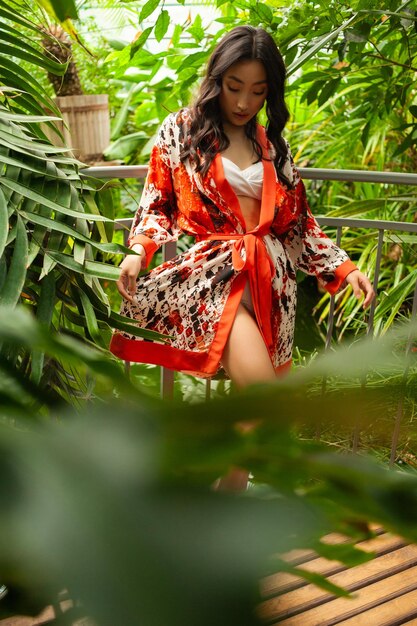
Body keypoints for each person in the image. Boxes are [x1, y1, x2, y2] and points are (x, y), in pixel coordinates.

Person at [110, 25, 375, 489]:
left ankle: (222, 493)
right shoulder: (182, 131)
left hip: (272, 286)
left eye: (257, 90)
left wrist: (344, 267)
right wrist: (138, 251)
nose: (243, 102)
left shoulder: (272, 145)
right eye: (234, 87)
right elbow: (157, 204)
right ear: (217, 79)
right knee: (263, 395)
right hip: (216, 279)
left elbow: (297, 224)